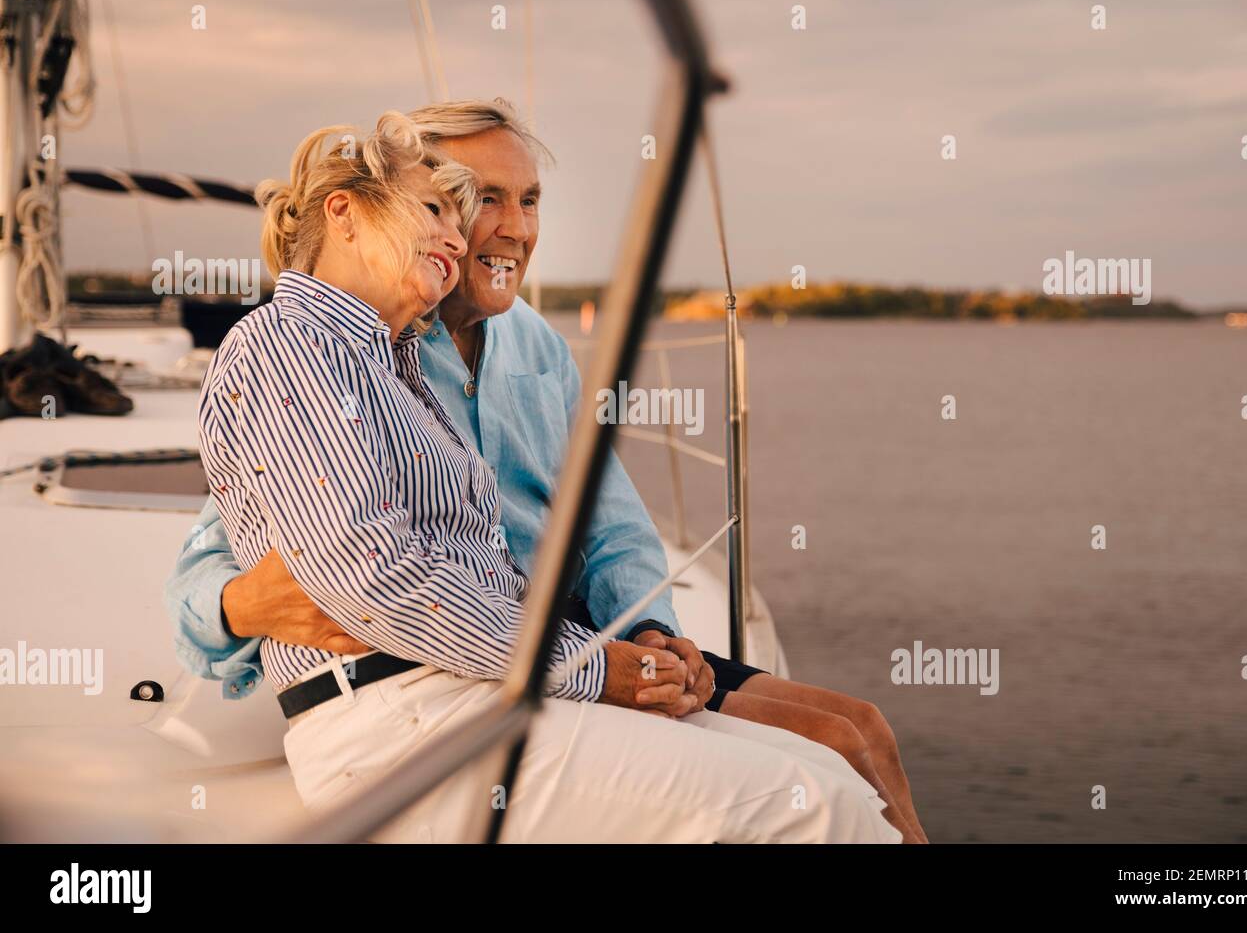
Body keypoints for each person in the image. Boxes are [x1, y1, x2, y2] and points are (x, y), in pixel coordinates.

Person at [190, 107, 902, 843]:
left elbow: (609, 524)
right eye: (446, 206)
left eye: (523, 201)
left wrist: (645, 638)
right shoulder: (291, 346)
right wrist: (238, 603)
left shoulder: (399, 355)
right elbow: (363, 572)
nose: (467, 233)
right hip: (407, 712)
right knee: (818, 803)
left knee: (841, 759)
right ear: (345, 212)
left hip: (505, 676)